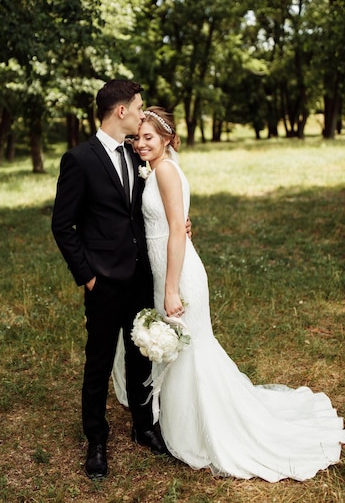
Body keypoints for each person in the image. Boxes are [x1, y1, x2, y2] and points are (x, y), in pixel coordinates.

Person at [121, 105, 345, 482]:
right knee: (182, 354)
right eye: (138, 137)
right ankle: (182, 422)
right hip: (165, 271)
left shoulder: (166, 172)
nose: (141, 144)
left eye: (149, 138)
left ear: (167, 140)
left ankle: (205, 430)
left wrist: (172, 288)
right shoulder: (156, 169)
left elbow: (177, 230)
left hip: (178, 275)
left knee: (192, 351)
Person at [51, 80, 170, 480]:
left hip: (138, 275)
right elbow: (62, 226)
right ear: (121, 112)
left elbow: (146, 209)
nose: (141, 114)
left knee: (140, 354)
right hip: (103, 282)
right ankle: (96, 440)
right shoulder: (79, 160)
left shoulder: (138, 155)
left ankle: (143, 426)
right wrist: (88, 278)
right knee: (99, 360)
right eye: (138, 108)